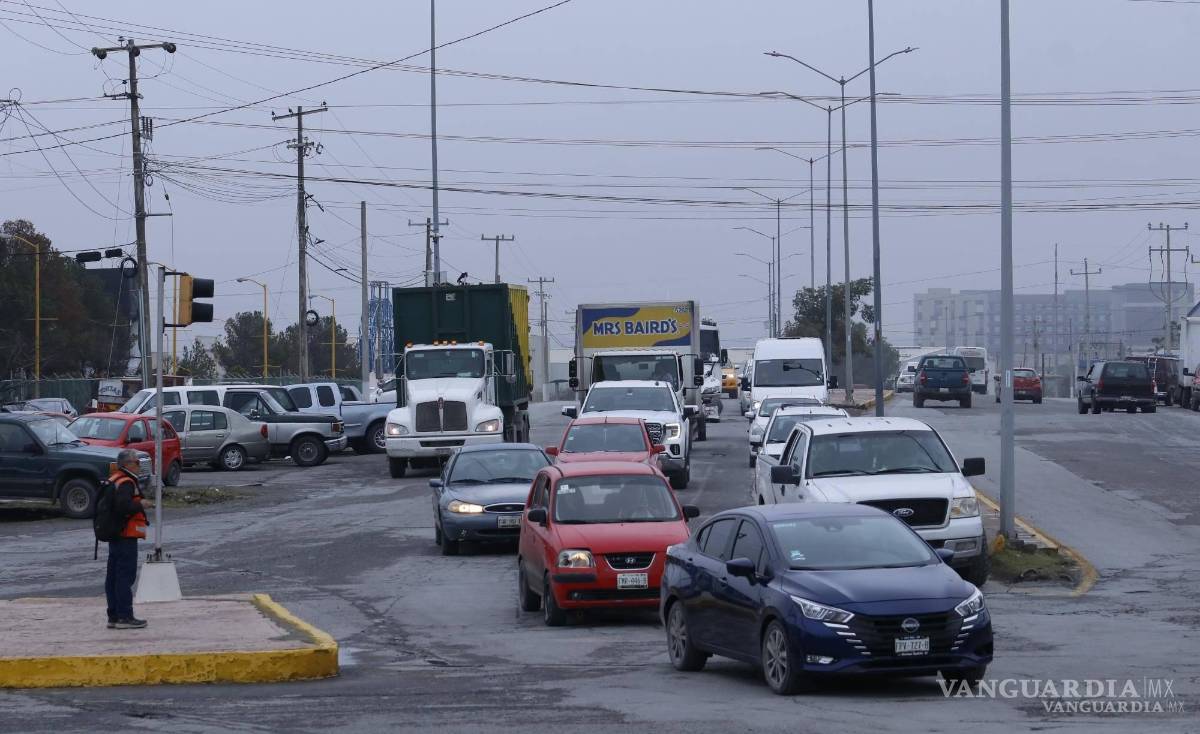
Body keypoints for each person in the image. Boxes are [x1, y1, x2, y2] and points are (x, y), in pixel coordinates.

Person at [105, 449, 149, 629]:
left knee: (113, 577)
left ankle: (114, 616)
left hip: (115, 534)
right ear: (127, 464)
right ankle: (125, 616)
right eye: (137, 462)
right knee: (125, 576)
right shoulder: (126, 482)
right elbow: (123, 506)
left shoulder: (114, 479)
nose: (139, 466)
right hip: (125, 535)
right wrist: (141, 503)